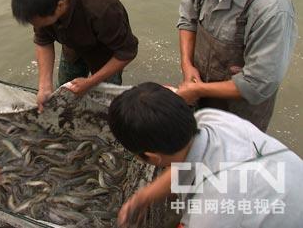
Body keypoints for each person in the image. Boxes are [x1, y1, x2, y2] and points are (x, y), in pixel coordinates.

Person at [108, 82, 303, 228]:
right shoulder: (212, 119)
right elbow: (187, 162)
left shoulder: (210, 212)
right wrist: (144, 198)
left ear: (151, 157)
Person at [157, 0, 298, 131]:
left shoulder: (272, 7)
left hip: (241, 117)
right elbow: (187, 20)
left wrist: (198, 89)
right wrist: (187, 65)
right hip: (201, 97)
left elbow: (259, 84)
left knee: (232, 158)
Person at [11, 0, 139, 112]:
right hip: (72, 47)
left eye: (40, 23)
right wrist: (44, 85)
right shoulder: (41, 2)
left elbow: (126, 52)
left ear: (60, 6)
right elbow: (43, 40)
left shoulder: (102, 8)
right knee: (65, 93)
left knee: (108, 103)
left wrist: (90, 82)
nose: (37, 26)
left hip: (106, 52)